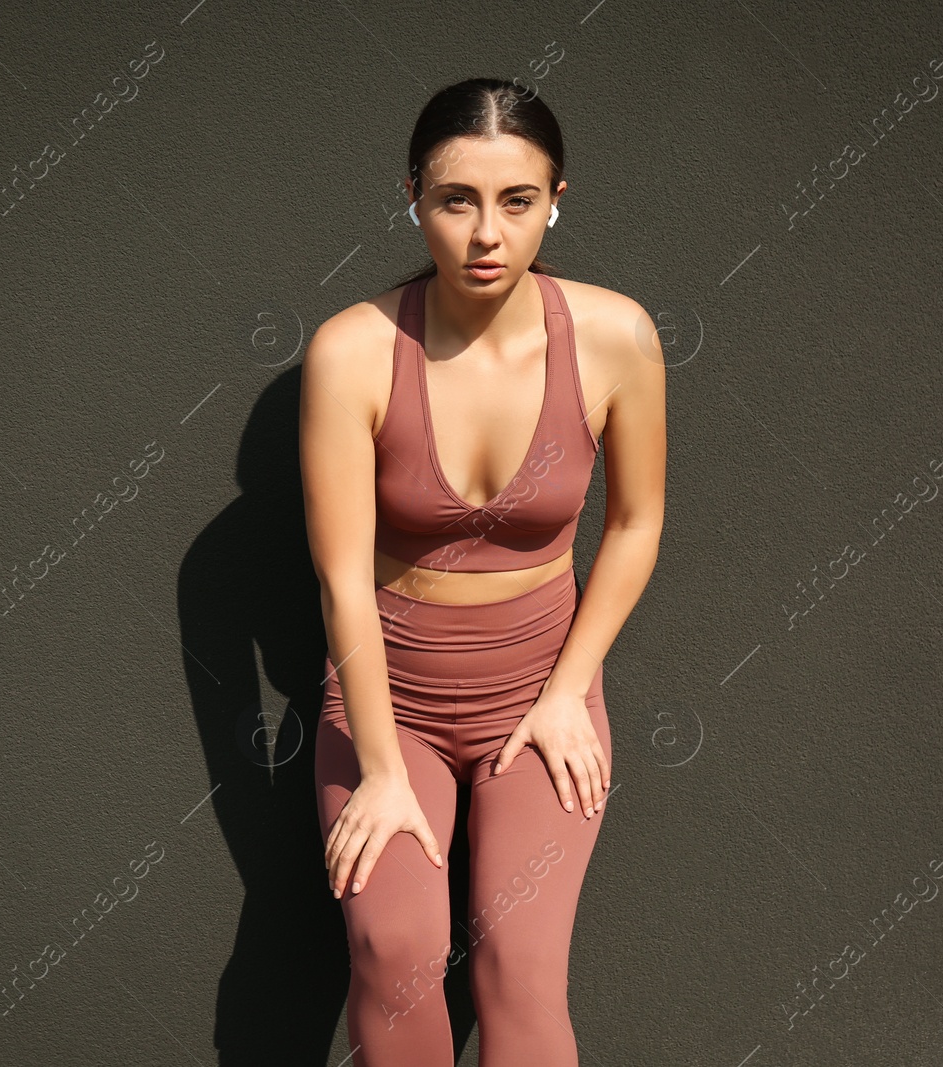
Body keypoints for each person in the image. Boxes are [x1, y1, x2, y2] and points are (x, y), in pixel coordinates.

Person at [299, 77, 666, 1067]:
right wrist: (378, 764)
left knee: (518, 967)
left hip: (538, 689)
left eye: (515, 200)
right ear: (414, 195)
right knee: (392, 950)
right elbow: (339, 576)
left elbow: (635, 522)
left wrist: (565, 691)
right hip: (391, 701)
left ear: (555, 199)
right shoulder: (352, 351)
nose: (486, 232)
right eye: (457, 200)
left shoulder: (616, 336)